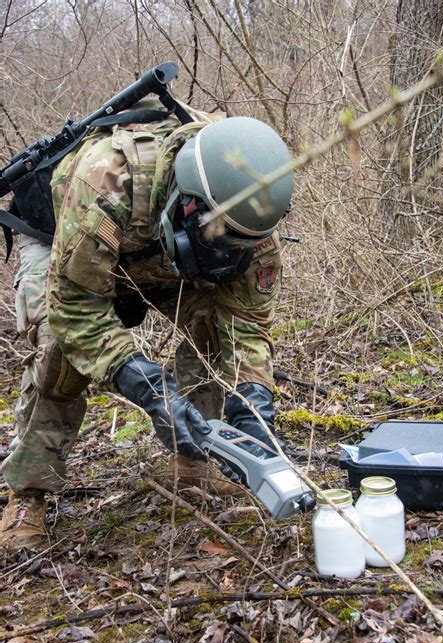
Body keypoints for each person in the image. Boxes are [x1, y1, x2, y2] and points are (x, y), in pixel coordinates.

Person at [0, 103, 294, 551]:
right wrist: (144, 384)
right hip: (67, 240)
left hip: (163, 253)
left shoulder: (251, 220)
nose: (233, 250)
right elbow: (75, 306)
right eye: (222, 237)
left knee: (213, 326)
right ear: (191, 202)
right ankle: (29, 492)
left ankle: (197, 452)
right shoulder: (106, 180)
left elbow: (246, 327)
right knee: (60, 353)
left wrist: (252, 405)